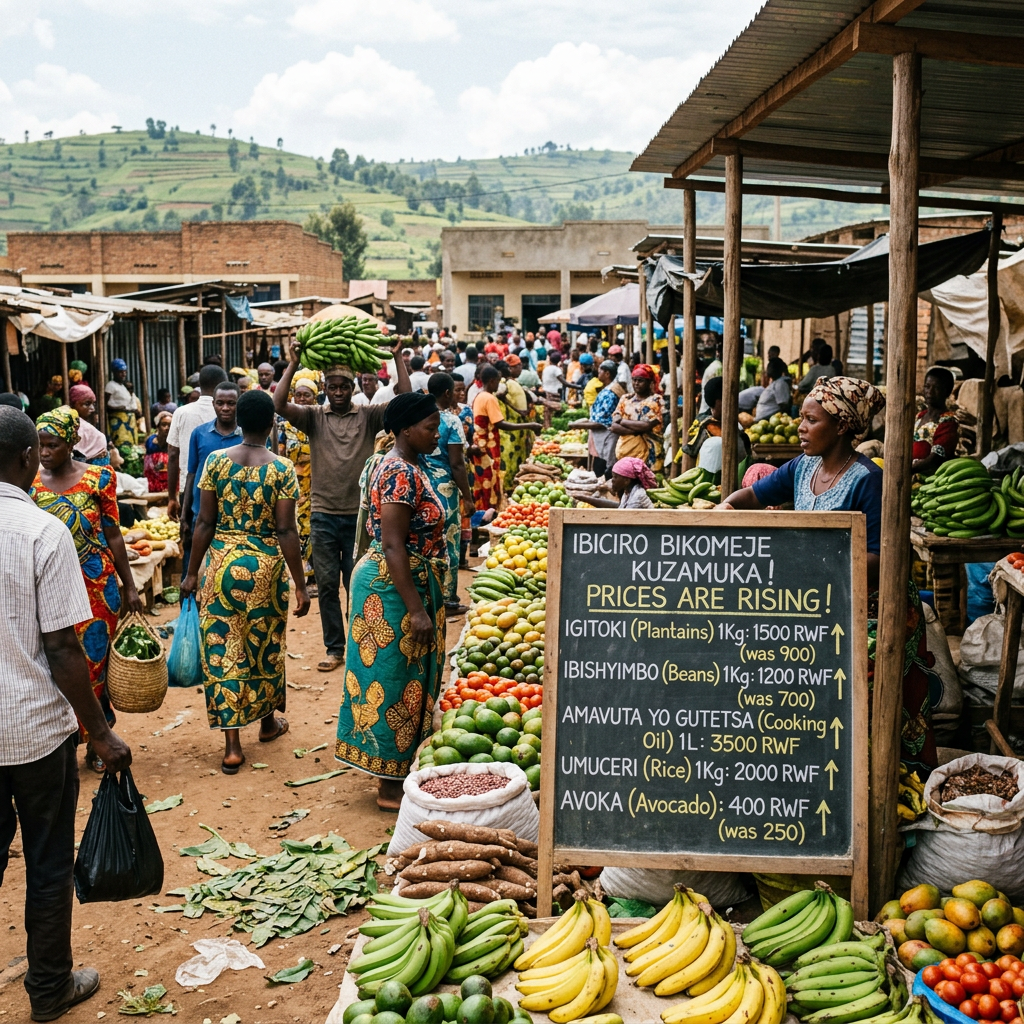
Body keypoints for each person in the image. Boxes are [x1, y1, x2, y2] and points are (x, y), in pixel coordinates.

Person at [715, 376, 937, 770]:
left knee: (866, 702)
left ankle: (880, 779)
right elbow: (754, 495)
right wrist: (726, 509)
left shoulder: (869, 480)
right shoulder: (802, 468)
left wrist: (813, 560)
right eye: (800, 418)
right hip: (822, 599)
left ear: (842, 427)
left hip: (872, 609)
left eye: (811, 420)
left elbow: (882, 558)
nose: (801, 427)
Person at [0, 405, 132, 1023]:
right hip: (32, 730)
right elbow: (61, 645)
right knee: (47, 862)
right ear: (28, 459)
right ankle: (50, 989)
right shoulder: (39, 531)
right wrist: (101, 734)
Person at [180, 391, 310, 774]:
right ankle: (268, 722)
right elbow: (287, 530)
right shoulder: (282, 469)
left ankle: (233, 746)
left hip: (221, 565)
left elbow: (203, 522)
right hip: (266, 570)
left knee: (225, 647)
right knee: (265, 644)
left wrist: (191, 572)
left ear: (238, 421)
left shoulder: (216, 462)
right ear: (272, 423)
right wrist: (301, 585)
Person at [335, 392, 448, 810]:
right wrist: (416, 609)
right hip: (393, 587)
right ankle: (387, 784)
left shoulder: (412, 465)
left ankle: (398, 768)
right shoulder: (398, 471)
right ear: (404, 430)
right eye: (430, 428)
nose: (436, 435)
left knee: (406, 674)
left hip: (406, 583)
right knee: (392, 676)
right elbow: (394, 545)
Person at [274, 338, 411, 673]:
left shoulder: (367, 415)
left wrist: (396, 356)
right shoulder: (313, 417)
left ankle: (359, 645)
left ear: (353, 387)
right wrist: (291, 363)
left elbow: (406, 400)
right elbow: (279, 404)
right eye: (332, 387)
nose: (337, 392)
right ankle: (334, 648)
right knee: (327, 586)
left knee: (358, 584)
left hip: (359, 516)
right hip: (322, 515)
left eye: (343, 386)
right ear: (324, 387)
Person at [30, 408, 143, 773]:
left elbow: (113, 534)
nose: (45, 452)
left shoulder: (99, 477)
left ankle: (99, 737)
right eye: (40, 445)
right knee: (55, 663)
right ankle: (65, 740)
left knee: (95, 665)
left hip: (97, 585)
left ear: (72, 443)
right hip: (50, 586)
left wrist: (130, 586)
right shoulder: (29, 484)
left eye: (53, 444)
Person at [425, 373, 475, 616]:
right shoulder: (451, 421)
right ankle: (448, 600)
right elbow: (457, 464)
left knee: (426, 541)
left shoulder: (421, 417)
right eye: (455, 391)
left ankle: (427, 595)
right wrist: (468, 496)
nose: (458, 395)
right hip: (444, 490)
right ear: (446, 393)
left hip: (421, 487)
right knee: (450, 543)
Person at [181, 382, 245, 571]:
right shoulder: (199, 434)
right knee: (193, 570)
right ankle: (189, 600)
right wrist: (184, 516)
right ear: (213, 404)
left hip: (236, 516)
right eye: (220, 403)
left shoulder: (247, 435)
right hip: (201, 514)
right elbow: (191, 474)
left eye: (231, 403)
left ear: (238, 404)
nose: (225, 408)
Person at [471, 364, 542, 512]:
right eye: (497, 381)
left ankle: (483, 514)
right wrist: (529, 425)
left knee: (483, 482)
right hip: (487, 449)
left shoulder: (480, 396)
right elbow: (500, 424)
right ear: (491, 381)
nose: (499, 384)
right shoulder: (489, 398)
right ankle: (487, 516)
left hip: (481, 445)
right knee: (489, 483)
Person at [166, 364, 226, 527]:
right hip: (225, 487)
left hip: (190, 485)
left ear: (200, 384)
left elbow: (172, 455)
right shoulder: (228, 411)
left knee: (191, 535)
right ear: (222, 384)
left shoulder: (182, 412)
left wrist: (172, 497)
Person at [279, 371, 318, 594]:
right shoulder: (284, 428)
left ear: (314, 398)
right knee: (296, 530)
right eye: (299, 395)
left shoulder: (317, 423)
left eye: (307, 395)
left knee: (314, 531)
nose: (302, 399)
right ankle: (301, 578)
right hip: (293, 487)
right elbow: (280, 455)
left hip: (317, 485)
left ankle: (313, 578)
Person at [683, 376, 751, 482]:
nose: (733, 403)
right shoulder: (706, 427)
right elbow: (690, 455)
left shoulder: (738, 427)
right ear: (717, 402)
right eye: (727, 400)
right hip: (709, 486)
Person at [611, 364, 665, 473]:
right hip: (626, 451)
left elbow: (647, 425)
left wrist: (622, 421)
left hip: (649, 454)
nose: (636, 383)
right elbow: (614, 426)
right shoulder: (625, 398)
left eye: (640, 381)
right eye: (634, 380)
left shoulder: (656, 400)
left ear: (649, 382)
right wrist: (637, 429)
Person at [574, 360, 624, 478]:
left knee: (604, 467)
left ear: (607, 374)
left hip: (606, 435)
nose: (598, 372)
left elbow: (602, 423)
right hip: (600, 436)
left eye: (601, 370)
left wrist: (579, 425)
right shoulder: (608, 389)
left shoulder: (609, 393)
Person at [913, 367, 959, 476]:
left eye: (936, 388)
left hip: (930, 478)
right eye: (927, 387)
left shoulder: (948, 422)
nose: (930, 392)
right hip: (912, 473)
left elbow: (935, 459)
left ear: (947, 392)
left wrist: (907, 470)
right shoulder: (920, 416)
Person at [497, 355, 534, 489]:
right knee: (509, 458)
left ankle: (513, 484)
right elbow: (502, 396)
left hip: (517, 429)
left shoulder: (512, 383)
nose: (520, 368)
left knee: (516, 457)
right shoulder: (504, 384)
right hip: (511, 429)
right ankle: (508, 486)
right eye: (517, 366)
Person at [582, 456, 656, 510]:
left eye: (615, 477)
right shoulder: (628, 491)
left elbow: (623, 517)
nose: (612, 480)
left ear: (626, 480)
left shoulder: (638, 496)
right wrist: (586, 499)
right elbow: (619, 506)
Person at [67, 384, 109, 466]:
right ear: (74, 404)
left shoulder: (88, 426)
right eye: (87, 404)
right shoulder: (72, 426)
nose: (92, 409)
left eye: (94, 404)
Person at [104, 360, 137, 446]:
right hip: (118, 420)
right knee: (120, 443)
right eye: (120, 372)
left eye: (125, 372)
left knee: (130, 444)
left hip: (128, 421)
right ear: (114, 372)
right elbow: (105, 405)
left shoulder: (123, 386)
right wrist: (118, 408)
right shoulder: (110, 385)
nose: (123, 374)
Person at [143, 410, 173, 492]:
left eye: (170, 425)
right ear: (158, 426)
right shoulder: (150, 441)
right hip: (153, 480)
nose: (167, 428)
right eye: (164, 425)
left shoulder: (175, 443)